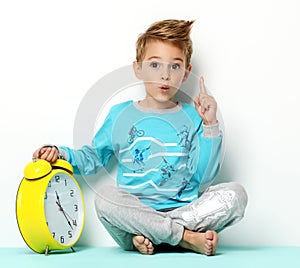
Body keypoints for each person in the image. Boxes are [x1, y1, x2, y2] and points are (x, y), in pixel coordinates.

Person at [33, 19, 247, 256]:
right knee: (105, 198)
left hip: (182, 213)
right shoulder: (120, 115)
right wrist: (60, 153)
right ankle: (184, 238)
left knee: (236, 194)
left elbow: (204, 176)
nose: (165, 75)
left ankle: (160, 235)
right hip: (134, 215)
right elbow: (93, 157)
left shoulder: (193, 116)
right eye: (155, 65)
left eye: (174, 67)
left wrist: (210, 124)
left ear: (186, 73)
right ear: (138, 68)